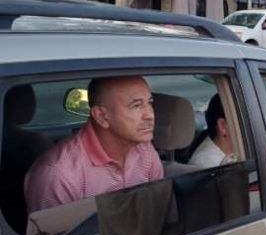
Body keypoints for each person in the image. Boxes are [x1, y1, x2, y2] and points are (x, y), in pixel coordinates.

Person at [25, 76, 164, 213]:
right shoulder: (59, 174)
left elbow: (158, 214)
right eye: (136, 105)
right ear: (101, 116)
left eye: (150, 103)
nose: (150, 115)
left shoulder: (144, 149)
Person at [189, 94, 266, 172]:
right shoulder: (210, 167)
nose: (256, 127)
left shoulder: (232, 152)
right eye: (249, 121)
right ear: (223, 126)